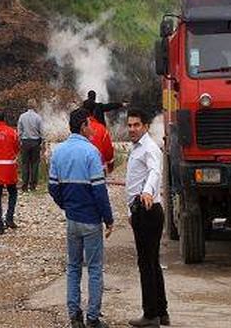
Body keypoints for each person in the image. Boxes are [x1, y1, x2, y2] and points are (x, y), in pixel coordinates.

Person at [49, 108, 115, 328]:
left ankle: (74, 316)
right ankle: (93, 318)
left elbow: (52, 187)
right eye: (89, 123)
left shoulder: (59, 152)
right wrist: (108, 218)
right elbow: (99, 190)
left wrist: (65, 205)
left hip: (72, 219)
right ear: (83, 126)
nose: (91, 127)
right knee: (94, 268)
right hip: (91, 220)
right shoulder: (91, 152)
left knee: (73, 267)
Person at [125, 108, 169, 327]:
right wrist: (129, 212)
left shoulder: (149, 148)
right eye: (130, 125)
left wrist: (148, 191)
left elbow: (154, 171)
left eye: (137, 125)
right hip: (140, 210)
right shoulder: (136, 148)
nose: (132, 129)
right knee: (152, 262)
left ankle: (150, 315)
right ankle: (161, 311)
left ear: (146, 127)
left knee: (146, 263)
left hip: (148, 209)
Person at [17, 99, 45, 191]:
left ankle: (24, 184)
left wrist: (20, 140)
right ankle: (33, 185)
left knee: (25, 164)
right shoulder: (38, 117)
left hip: (25, 142)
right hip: (35, 142)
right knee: (35, 164)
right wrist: (43, 142)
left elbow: (19, 130)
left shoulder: (22, 116)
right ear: (35, 106)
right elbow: (42, 132)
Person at [86, 105, 116, 174]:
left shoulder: (79, 129)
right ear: (94, 113)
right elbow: (108, 151)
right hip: (98, 169)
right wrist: (110, 165)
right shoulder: (101, 128)